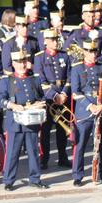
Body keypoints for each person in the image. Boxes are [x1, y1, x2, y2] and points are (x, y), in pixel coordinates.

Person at [0, 50, 48, 191]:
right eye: (19, 62)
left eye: (24, 61)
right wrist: (12, 105)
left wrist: (39, 104)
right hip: (15, 121)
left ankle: (35, 178)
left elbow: (42, 98)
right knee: (12, 152)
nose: (22, 65)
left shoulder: (35, 79)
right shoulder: (7, 80)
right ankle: (8, 180)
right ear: (13, 64)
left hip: (31, 121)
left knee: (33, 151)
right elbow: (0, 99)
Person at [69, 36, 102, 186]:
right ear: (84, 52)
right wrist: (91, 106)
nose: (92, 54)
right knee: (80, 145)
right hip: (85, 111)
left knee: (101, 145)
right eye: (89, 51)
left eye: (94, 51)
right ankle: (77, 175)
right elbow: (75, 92)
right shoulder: (77, 68)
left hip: (100, 111)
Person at [34, 29, 72, 169]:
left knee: (62, 130)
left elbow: (69, 77)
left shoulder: (65, 55)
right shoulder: (39, 57)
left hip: (63, 96)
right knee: (45, 130)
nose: (56, 42)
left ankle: (63, 157)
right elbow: (41, 81)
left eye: (57, 39)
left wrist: (64, 94)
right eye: (52, 40)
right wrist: (54, 96)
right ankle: (44, 159)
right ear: (45, 42)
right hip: (49, 99)